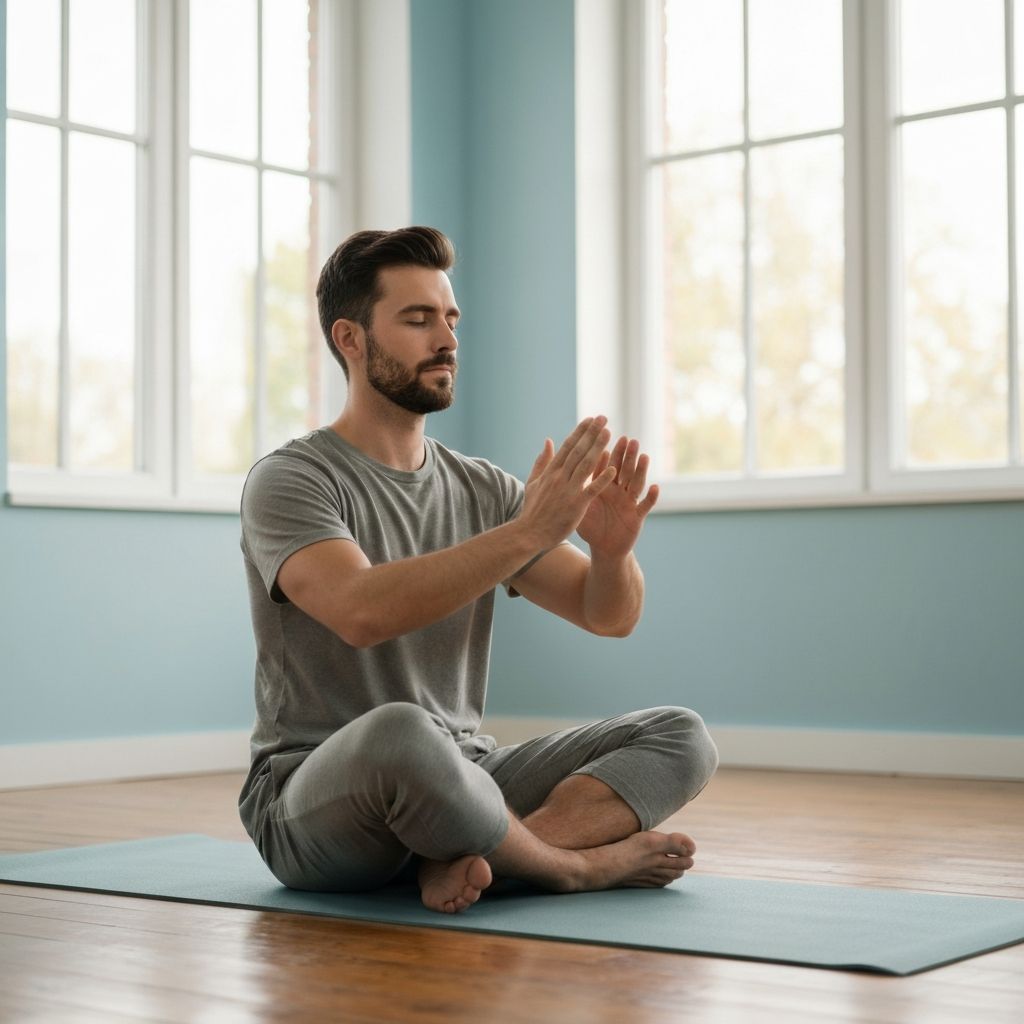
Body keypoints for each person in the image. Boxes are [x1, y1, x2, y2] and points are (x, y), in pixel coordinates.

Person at [238, 226, 719, 914]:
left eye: (450, 318)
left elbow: (607, 615)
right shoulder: (291, 480)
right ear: (350, 340)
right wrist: (527, 532)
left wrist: (613, 553)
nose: (447, 339)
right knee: (402, 733)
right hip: (315, 802)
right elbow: (361, 612)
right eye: (418, 319)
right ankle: (568, 869)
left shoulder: (482, 488)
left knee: (681, 734)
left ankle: (474, 858)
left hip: (465, 780)